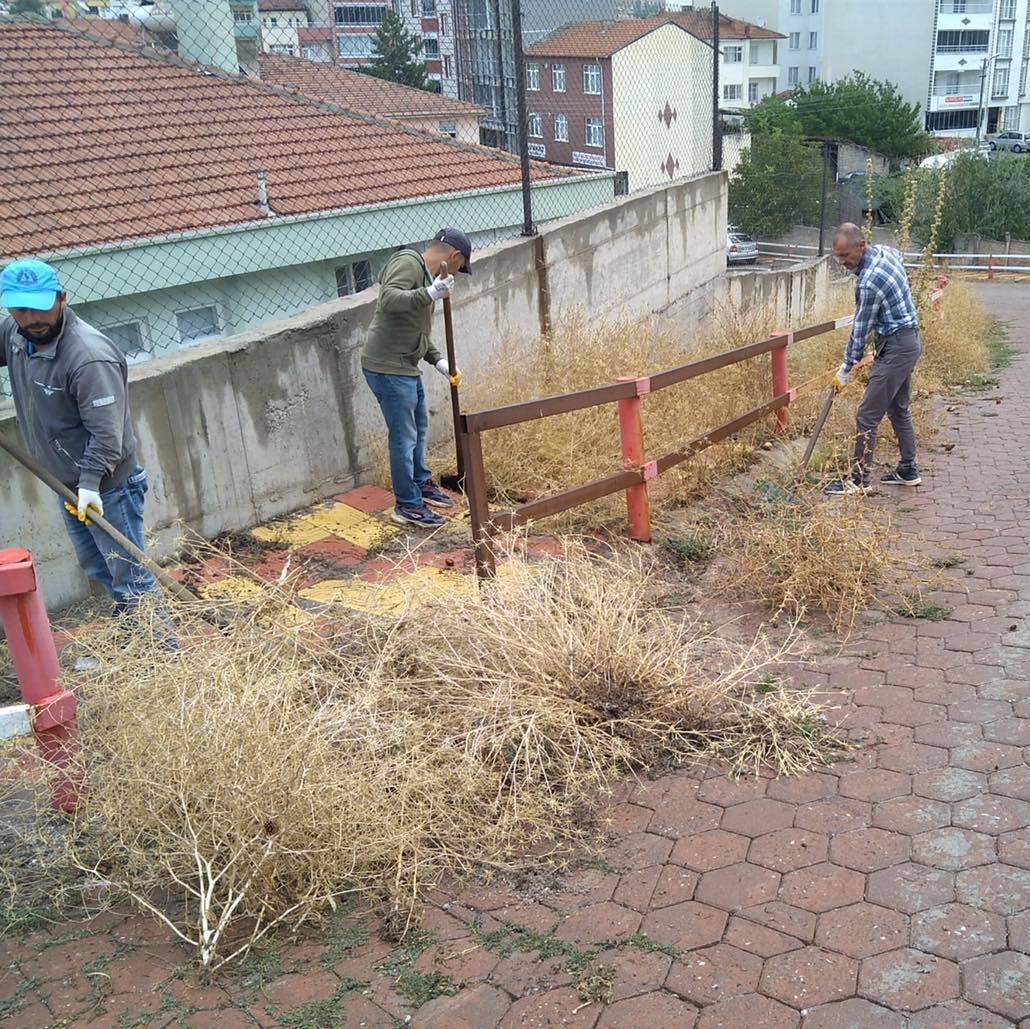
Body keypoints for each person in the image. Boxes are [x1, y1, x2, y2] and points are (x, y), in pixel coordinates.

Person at [0, 258, 166, 621]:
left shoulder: (87, 357)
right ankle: (132, 635)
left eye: (40, 307)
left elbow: (107, 433)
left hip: (107, 488)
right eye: (21, 309)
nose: (32, 318)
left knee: (133, 581)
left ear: (62, 298)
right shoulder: (15, 333)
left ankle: (162, 649)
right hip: (67, 484)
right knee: (99, 568)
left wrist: (90, 483)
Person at [361, 228, 472, 529]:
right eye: (461, 266)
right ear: (454, 256)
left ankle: (420, 483)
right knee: (404, 437)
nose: (457, 273)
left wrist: (438, 361)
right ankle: (408, 506)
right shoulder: (408, 262)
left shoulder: (426, 278)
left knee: (419, 428)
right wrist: (431, 294)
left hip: (405, 366)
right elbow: (389, 299)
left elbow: (416, 330)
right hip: (387, 367)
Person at [825, 223, 923, 496]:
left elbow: (861, 329)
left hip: (897, 347)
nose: (842, 262)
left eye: (846, 256)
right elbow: (899, 258)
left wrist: (846, 368)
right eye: (838, 257)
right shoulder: (885, 252)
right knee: (898, 408)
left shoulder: (869, 282)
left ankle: (858, 481)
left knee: (867, 416)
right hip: (909, 340)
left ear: (862, 245)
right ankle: (908, 470)